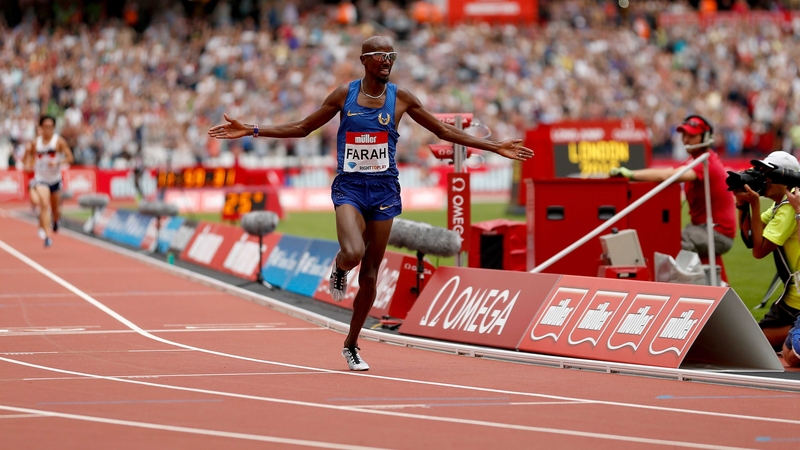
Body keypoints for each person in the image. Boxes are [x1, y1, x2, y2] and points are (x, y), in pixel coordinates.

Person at [208, 36, 533, 371]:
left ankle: (351, 344)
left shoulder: (401, 98)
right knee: (353, 253)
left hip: (384, 192)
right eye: (381, 56)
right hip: (350, 188)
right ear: (365, 60)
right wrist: (251, 129)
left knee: (371, 274)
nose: (388, 61)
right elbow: (303, 128)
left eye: (392, 55)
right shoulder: (343, 95)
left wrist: (494, 147)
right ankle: (339, 267)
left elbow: (443, 132)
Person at [610, 115, 736, 259]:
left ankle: (685, 280)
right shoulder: (695, 160)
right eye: (684, 135)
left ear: (706, 137)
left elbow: (668, 176)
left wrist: (630, 174)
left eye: (691, 136)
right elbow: (668, 172)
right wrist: (629, 174)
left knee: (671, 242)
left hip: (717, 234)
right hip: (702, 229)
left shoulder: (705, 162)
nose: (686, 140)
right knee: (665, 238)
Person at [736, 151, 800, 351]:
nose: (764, 179)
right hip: (792, 296)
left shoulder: (789, 208)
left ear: (786, 178)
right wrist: (742, 204)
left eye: (768, 174)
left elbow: (759, 250)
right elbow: (749, 237)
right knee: (749, 344)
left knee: (753, 345)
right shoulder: (779, 205)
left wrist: (754, 205)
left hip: (797, 300)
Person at [23, 115, 74, 248]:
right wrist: (28, 164)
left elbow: (70, 157)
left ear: (54, 128)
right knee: (44, 204)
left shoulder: (59, 142)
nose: (48, 130)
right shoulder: (35, 143)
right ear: (41, 127)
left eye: (50, 127)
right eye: (45, 127)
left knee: (56, 210)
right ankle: (47, 236)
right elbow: (26, 159)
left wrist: (58, 162)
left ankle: (56, 221)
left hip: (55, 180)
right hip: (41, 179)